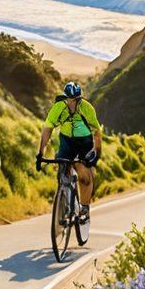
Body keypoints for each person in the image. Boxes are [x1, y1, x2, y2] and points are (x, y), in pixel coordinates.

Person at [37, 81, 102, 222]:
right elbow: (47, 130)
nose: (73, 102)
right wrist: (40, 153)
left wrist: (97, 153)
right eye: (70, 99)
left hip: (84, 142)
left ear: (80, 98)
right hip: (67, 141)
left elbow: (97, 131)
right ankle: (66, 203)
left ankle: (84, 207)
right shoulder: (58, 108)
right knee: (62, 168)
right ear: (65, 97)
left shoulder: (86, 108)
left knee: (84, 174)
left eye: (76, 99)